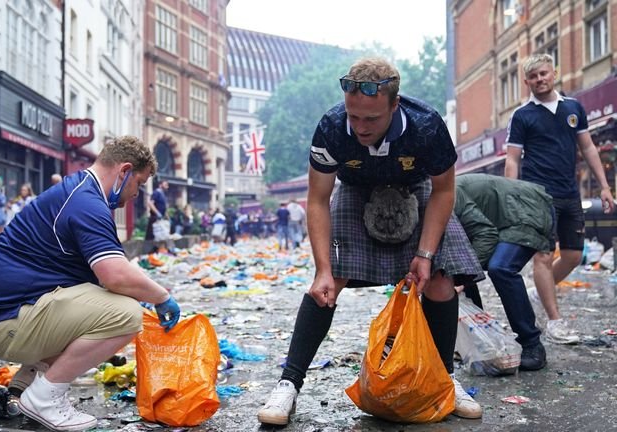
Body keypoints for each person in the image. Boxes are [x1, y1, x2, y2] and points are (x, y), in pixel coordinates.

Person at [257, 57, 484, 426]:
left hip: (418, 188)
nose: (360, 127)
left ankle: (445, 382)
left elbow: (444, 191)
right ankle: (288, 384)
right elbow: (316, 199)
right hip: (355, 190)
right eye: (354, 116)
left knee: (441, 280)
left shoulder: (426, 127)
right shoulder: (332, 128)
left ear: (394, 104)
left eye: (371, 119)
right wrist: (323, 270)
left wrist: (425, 255)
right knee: (327, 287)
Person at [0, 136, 181, 432]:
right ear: (124, 171)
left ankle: (22, 389)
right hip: (4, 323)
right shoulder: (87, 203)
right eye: (139, 184)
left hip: (2, 315)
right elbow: (115, 275)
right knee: (126, 315)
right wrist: (161, 297)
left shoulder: (78, 191)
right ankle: (44, 398)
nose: (137, 194)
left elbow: (99, 279)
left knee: (100, 307)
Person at [505, 53, 615, 344]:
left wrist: (604, 186)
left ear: (554, 73)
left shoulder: (574, 107)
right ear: (527, 82)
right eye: (533, 76)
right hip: (537, 194)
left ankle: (538, 293)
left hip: (569, 192)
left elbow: (589, 148)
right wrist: (510, 195)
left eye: (544, 73)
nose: (540, 79)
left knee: (572, 256)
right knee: (542, 255)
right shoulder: (522, 115)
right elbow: (513, 159)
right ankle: (555, 322)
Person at [454, 174, 555, 370]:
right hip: (504, 214)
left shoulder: (447, 196)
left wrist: (462, 280)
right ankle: (479, 340)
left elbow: (486, 233)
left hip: (527, 209)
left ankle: (532, 345)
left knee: (500, 268)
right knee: (455, 272)